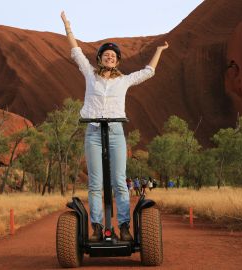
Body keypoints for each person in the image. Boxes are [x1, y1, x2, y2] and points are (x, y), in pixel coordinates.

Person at [61, 11, 169, 242]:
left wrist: (159, 51)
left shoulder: (124, 80)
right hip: (93, 132)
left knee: (120, 182)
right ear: (99, 59)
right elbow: (76, 52)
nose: (109, 57)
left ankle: (124, 226)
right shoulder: (90, 75)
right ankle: (98, 227)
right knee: (95, 183)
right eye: (106, 54)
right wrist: (68, 27)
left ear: (118, 61)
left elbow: (149, 72)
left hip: (115, 133)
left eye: (113, 55)